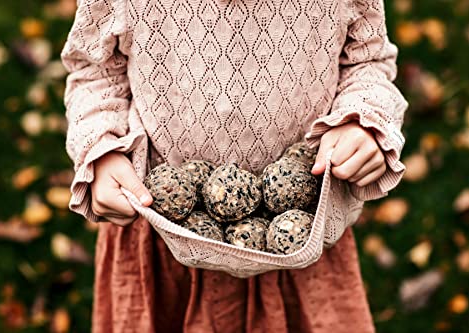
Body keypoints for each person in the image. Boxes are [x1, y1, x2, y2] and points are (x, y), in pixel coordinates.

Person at [60, 0, 408, 331]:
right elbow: (95, 71)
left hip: (300, 243)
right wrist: (101, 148)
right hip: (162, 243)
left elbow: (367, 60)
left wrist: (364, 121)